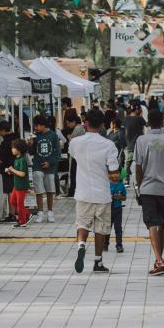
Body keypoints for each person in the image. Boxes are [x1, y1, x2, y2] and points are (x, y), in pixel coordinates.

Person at [70, 109, 120, 274]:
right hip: (102, 194)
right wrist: (112, 176)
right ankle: (98, 261)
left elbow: (74, 156)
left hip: (83, 192)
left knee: (82, 224)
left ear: (85, 123)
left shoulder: (75, 142)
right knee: (100, 228)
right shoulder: (109, 145)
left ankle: (81, 246)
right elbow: (114, 174)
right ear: (102, 125)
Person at [135, 109, 164, 276]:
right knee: (163, 223)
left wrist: (140, 186)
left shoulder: (141, 140)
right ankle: (159, 259)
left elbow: (138, 167)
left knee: (151, 223)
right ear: (163, 122)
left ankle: (159, 260)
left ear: (148, 122)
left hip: (148, 188)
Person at [29, 115, 61, 224]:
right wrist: (30, 145)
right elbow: (31, 152)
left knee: (50, 190)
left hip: (50, 168)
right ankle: (40, 212)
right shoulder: (35, 136)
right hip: (37, 166)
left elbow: (58, 154)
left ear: (43, 125)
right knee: (38, 191)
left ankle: (50, 212)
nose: (35, 128)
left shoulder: (53, 136)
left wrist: (50, 162)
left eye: (37, 126)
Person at [7, 139, 31, 228]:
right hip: (17, 185)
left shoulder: (22, 160)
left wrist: (12, 170)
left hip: (21, 185)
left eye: (14, 148)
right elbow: (17, 172)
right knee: (13, 201)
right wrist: (11, 171)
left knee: (19, 204)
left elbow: (22, 174)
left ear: (19, 149)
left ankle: (22, 221)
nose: (12, 149)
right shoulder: (16, 159)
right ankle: (27, 213)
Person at [0, 120, 19, 223]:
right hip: (18, 167)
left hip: (8, 169)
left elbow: (1, 159)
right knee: (17, 191)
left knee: (10, 191)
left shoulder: (4, 143)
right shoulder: (17, 137)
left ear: (2, 130)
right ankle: (17, 211)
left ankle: (12, 214)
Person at [64, 114, 86, 199]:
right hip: (79, 154)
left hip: (76, 155)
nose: (68, 125)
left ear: (73, 122)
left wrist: (69, 137)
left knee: (73, 173)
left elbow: (72, 141)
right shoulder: (80, 128)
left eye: (68, 123)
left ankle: (72, 191)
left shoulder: (77, 129)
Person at [124, 104, 146, 182]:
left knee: (128, 163)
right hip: (138, 145)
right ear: (137, 110)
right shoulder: (139, 118)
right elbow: (147, 124)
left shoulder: (126, 119)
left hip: (130, 144)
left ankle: (127, 179)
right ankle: (139, 181)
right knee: (139, 163)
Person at [103, 178, 127, 253]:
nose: (115, 175)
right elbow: (102, 196)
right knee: (107, 227)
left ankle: (119, 245)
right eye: (112, 173)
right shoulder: (106, 185)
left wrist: (120, 197)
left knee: (118, 228)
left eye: (117, 173)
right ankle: (105, 244)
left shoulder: (121, 185)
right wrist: (111, 197)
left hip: (118, 210)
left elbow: (124, 198)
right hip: (108, 210)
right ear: (108, 175)